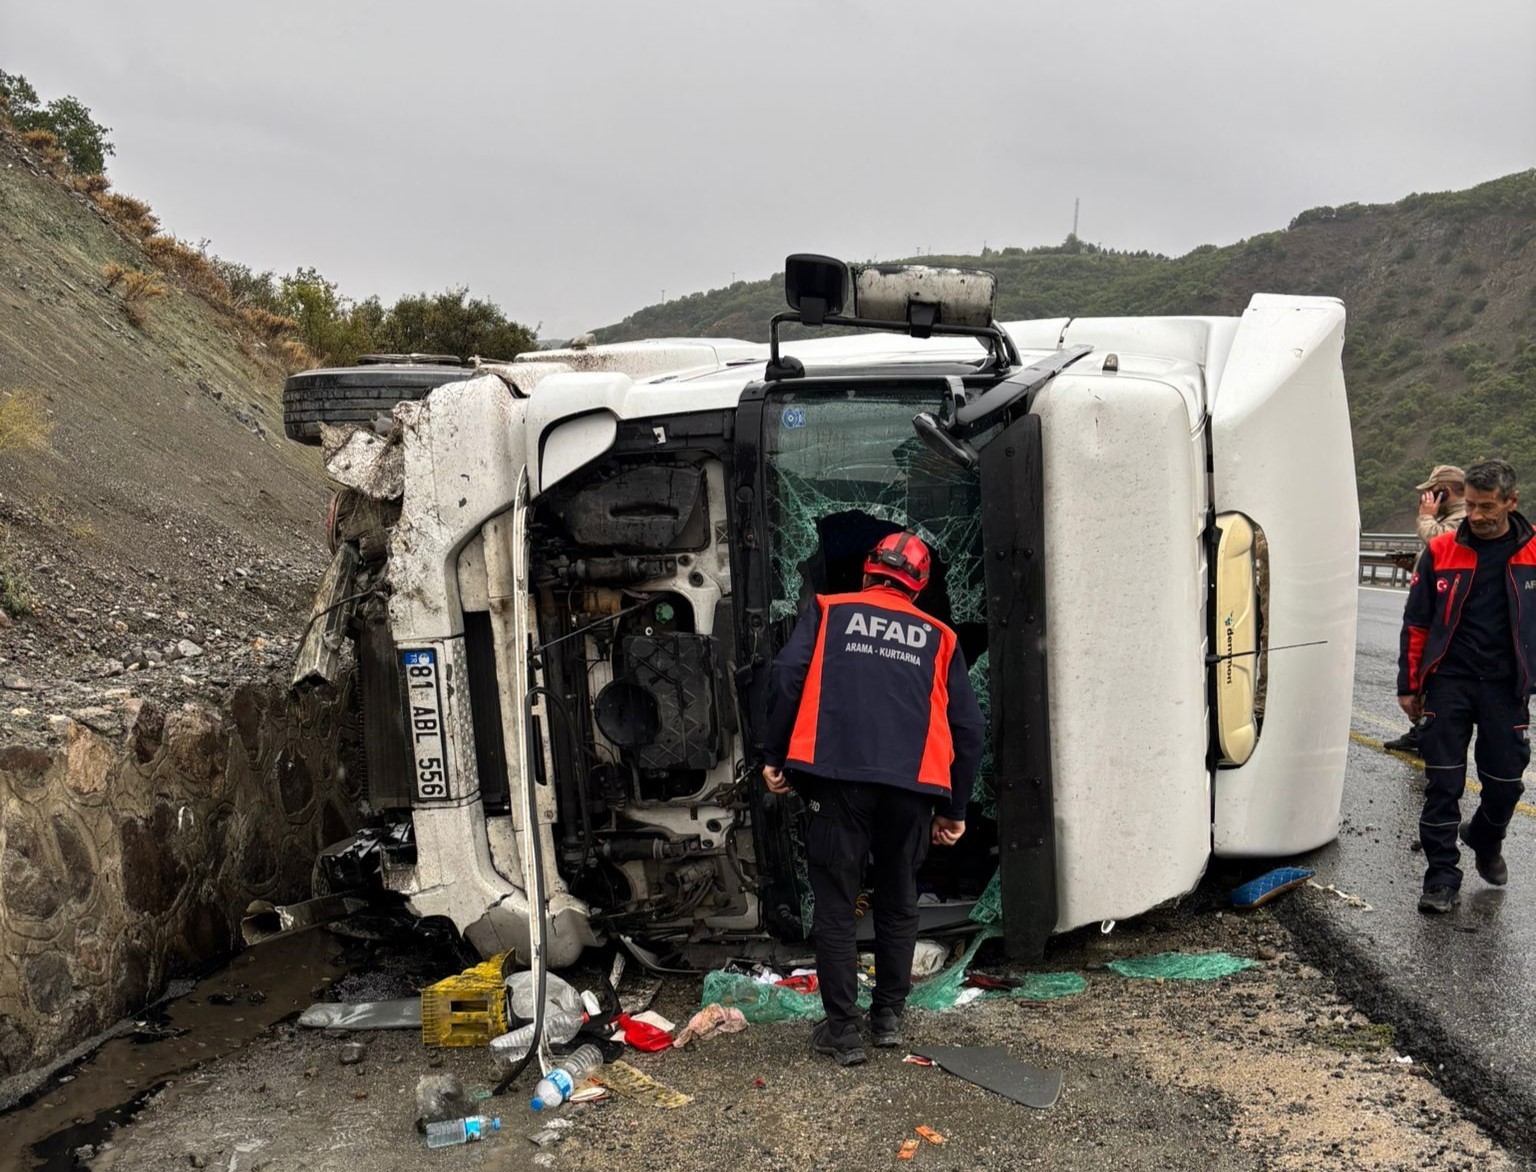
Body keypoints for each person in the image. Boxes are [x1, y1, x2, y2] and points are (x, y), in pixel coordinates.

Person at [761, 531, 985, 1065]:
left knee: (837, 907)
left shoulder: (829, 610)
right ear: (920, 585)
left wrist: (775, 753)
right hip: (911, 792)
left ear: (868, 570)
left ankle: (842, 1032)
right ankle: (887, 1018)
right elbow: (969, 728)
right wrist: (954, 809)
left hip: (838, 781)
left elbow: (787, 673)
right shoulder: (940, 637)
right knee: (898, 899)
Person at [1397, 459, 1536, 914]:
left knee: (1505, 785)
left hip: (1505, 687)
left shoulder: (1533, 551)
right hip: (1450, 681)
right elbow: (1417, 622)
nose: (1476, 515)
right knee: (1443, 784)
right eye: (1471, 505)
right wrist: (1410, 683)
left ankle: (1485, 836)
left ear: (1511, 501)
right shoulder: (1440, 550)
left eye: (1487, 506)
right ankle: (1440, 877)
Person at [1384, 464, 1470, 753]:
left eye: (1433, 492)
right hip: (1434, 605)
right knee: (1423, 669)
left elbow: (1440, 542)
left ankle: (1430, 734)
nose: (1427, 498)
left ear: (1444, 491)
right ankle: (1422, 730)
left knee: (1437, 672)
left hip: (1448, 615)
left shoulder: (1462, 518)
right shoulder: (1450, 517)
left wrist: (1425, 517)